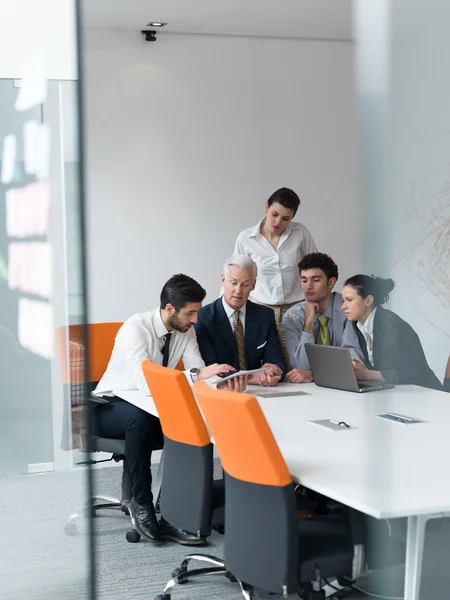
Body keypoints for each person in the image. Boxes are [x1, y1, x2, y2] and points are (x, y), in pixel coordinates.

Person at [93, 274, 236, 545]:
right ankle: (143, 503)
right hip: (109, 405)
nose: (195, 320)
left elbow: (198, 370)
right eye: (190, 313)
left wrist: (218, 382)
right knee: (140, 421)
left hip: (151, 407)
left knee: (188, 424)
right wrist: (197, 375)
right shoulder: (135, 329)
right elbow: (148, 383)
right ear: (169, 309)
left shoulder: (185, 331)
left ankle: (177, 513)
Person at [233, 187, 317, 366]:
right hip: (260, 308)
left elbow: (315, 267)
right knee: (261, 364)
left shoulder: (300, 233)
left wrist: (316, 302)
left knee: (296, 364)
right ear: (266, 207)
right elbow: (236, 273)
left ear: (292, 218)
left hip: (295, 308)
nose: (278, 222)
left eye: (285, 218)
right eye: (275, 214)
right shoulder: (246, 238)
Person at [195, 255, 285, 387]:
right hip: (221, 391)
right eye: (233, 283)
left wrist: (273, 370)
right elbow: (209, 369)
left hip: (262, 390)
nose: (238, 290)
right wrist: (251, 378)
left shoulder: (265, 315)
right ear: (223, 280)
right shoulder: (204, 317)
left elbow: (276, 358)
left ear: (253, 285)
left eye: (245, 284)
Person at [341, 275, 443, 390]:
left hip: (425, 392)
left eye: (349, 300)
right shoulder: (356, 325)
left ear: (368, 300)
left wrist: (367, 374)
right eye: (343, 301)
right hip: (399, 393)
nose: (343, 306)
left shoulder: (390, 325)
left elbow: (411, 373)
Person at [283, 253, 365, 383]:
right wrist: (308, 324)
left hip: (345, 387)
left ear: (331, 282)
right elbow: (300, 367)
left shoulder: (348, 310)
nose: (308, 286)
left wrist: (313, 374)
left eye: (315, 280)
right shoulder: (293, 317)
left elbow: (354, 362)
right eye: (304, 280)